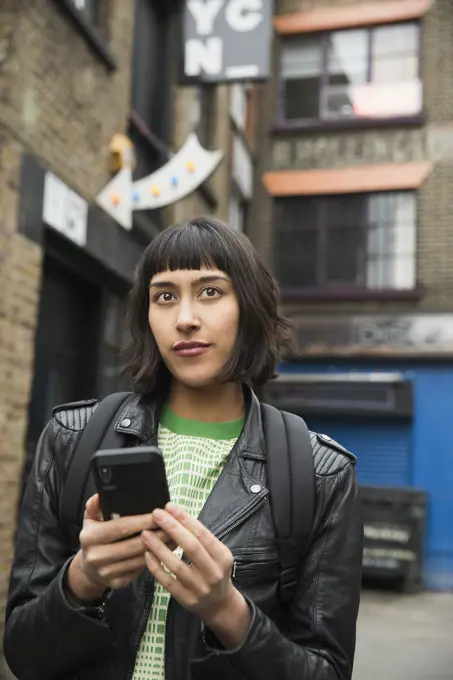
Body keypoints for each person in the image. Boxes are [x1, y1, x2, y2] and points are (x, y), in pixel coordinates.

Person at [4, 217, 363, 680]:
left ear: (249, 307)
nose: (185, 318)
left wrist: (228, 611)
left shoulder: (320, 475)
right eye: (165, 295)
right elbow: (23, 655)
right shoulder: (71, 438)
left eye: (210, 291)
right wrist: (83, 579)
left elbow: (327, 670)